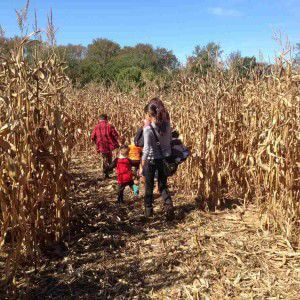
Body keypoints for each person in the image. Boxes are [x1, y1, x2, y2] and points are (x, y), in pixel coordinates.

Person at [140, 98, 174, 220]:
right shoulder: (167, 126)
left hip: (151, 160)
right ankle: (169, 206)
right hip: (164, 159)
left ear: (150, 114)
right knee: (162, 185)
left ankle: (148, 212)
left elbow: (147, 149)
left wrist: (142, 164)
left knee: (149, 187)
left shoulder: (148, 129)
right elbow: (170, 141)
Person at [91, 114, 119, 179]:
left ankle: (105, 173)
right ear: (106, 119)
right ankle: (108, 171)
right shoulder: (110, 126)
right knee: (109, 158)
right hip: (109, 146)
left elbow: (92, 137)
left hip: (101, 146)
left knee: (104, 159)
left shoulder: (96, 127)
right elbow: (115, 135)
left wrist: (96, 142)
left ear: (99, 119)